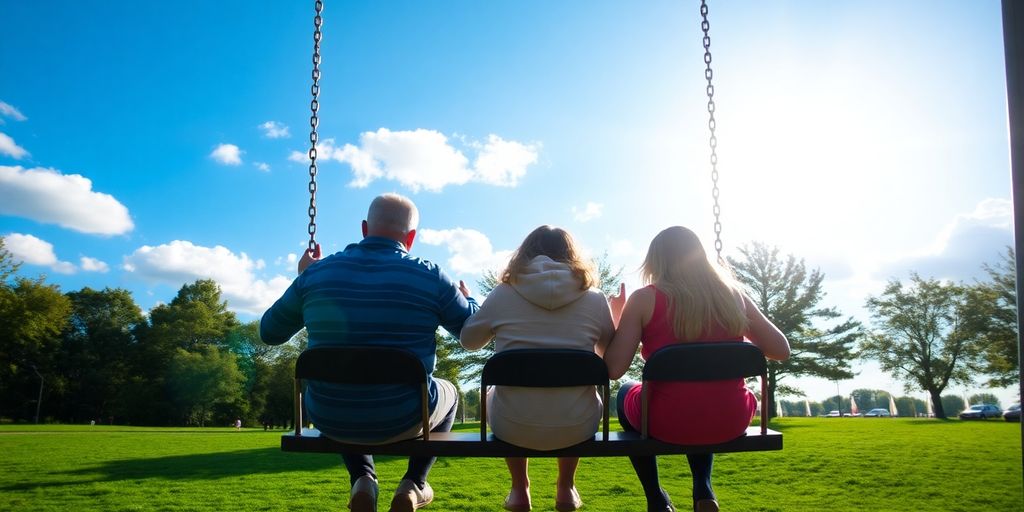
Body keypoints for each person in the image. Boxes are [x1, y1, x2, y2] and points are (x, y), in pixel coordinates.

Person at [260, 193, 479, 512]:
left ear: (364, 229)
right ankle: (415, 483)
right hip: (405, 416)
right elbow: (471, 336)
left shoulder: (316, 274)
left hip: (329, 416)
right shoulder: (431, 276)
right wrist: (468, 299)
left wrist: (304, 278)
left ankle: (362, 478)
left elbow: (269, 332)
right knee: (450, 390)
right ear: (412, 238)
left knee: (346, 386)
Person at [604, 226, 790, 512]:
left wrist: (616, 320)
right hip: (731, 418)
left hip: (665, 421)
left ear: (655, 262)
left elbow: (614, 369)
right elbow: (781, 350)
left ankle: (656, 499)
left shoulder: (644, 299)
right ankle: (703, 488)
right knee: (703, 397)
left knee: (627, 391)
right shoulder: (732, 296)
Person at [460, 226, 614, 512]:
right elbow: (610, 360)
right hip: (578, 426)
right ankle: (566, 486)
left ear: (525, 254)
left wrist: (473, 304)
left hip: (511, 424)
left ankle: (520, 488)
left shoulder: (502, 294)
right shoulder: (595, 299)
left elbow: (469, 341)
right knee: (575, 395)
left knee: (499, 391)